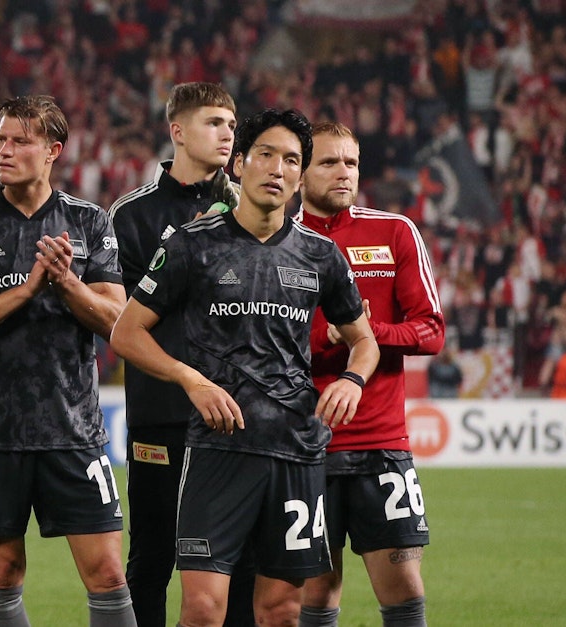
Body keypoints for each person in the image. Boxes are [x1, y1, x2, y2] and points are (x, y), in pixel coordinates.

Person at [111, 108, 379, 627]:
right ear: (239, 166)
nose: (278, 169)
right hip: (217, 451)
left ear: (301, 177)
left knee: (280, 611)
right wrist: (191, 379)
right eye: (266, 155)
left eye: (292, 161)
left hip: (295, 452)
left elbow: (362, 340)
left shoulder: (320, 255)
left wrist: (352, 378)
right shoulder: (192, 244)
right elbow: (126, 333)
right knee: (203, 610)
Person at [0, 96, 135, 626]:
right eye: (0, 139)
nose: (4, 149)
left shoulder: (88, 221)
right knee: (1, 574)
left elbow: (118, 318)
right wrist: (25, 291)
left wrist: (66, 283)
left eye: (20, 140)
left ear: (53, 151)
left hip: (74, 430)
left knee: (110, 574)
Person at [106, 81, 259, 627]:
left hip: (236, 415)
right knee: (152, 559)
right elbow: (119, 320)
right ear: (178, 131)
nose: (227, 134)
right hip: (161, 414)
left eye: (231, 124)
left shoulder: (248, 208)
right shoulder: (130, 216)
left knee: (240, 563)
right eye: (214, 123)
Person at [295, 121, 444, 627]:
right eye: (329, 162)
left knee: (403, 588)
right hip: (302, 444)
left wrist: (365, 332)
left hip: (381, 442)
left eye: (351, 162)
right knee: (314, 592)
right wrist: (325, 338)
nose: (344, 173)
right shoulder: (276, 239)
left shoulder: (394, 232)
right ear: (299, 173)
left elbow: (430, 331)